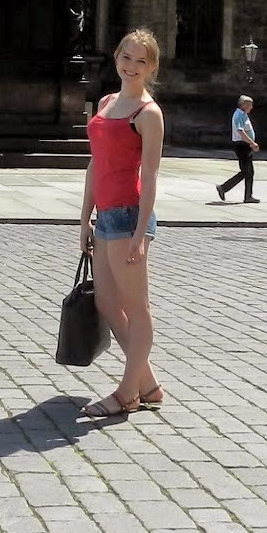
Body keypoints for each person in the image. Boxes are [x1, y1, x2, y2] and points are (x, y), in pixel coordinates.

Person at [78, 31, 166, 417]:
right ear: (116, 57)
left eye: (140, 61)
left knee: (135, 306)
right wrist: (85, 218)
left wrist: (141, 233)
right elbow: (95, 163)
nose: (131, 66)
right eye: (126, 57)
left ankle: (128, 393)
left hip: (129, 216)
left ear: (151, 67)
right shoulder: (106, 103)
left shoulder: (148, 113)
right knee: (106, 302)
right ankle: (147, 383)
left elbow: (150, 176)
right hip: (105, 215)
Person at [215, 94, 259, 204]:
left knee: (248, 172)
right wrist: (252, 143)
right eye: (249, 105)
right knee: (246, 171)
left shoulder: (243, 115)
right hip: (242, 146)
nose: (251, 107)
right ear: (243, 105)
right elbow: (240, 131)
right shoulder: (239, 115)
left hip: (245, 145)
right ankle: (224, 188)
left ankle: (247, 195)